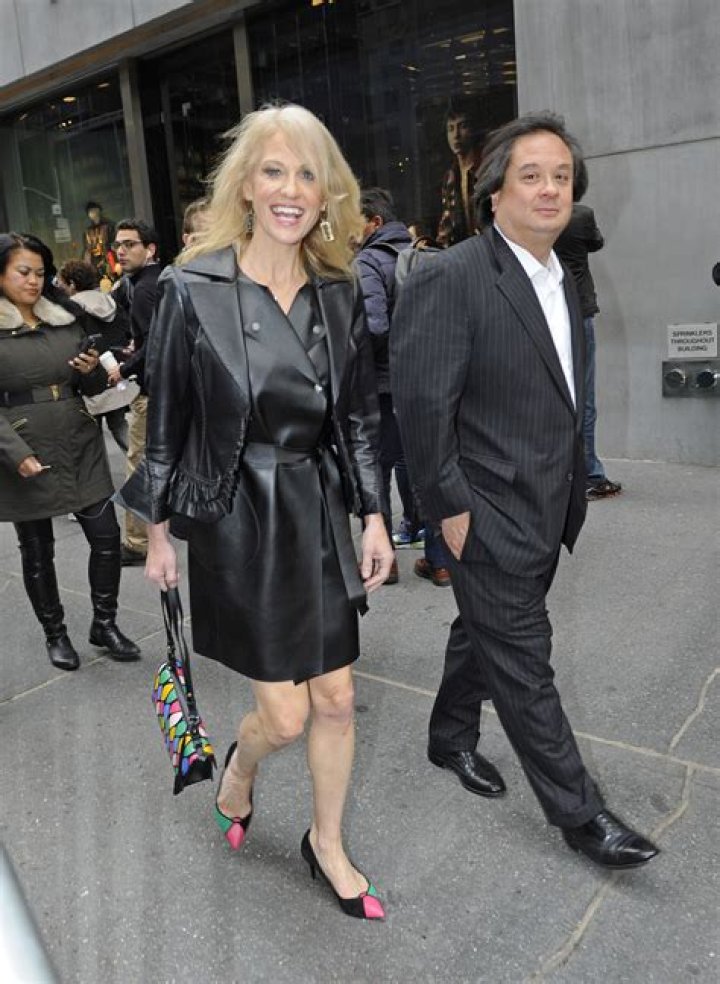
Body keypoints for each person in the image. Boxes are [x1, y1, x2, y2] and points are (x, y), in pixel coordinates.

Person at [116, 104, 393, 918]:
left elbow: (359, 419)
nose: (291, 189)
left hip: (318, 507)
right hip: (238, 515)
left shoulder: (339, 291)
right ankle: (241, 766)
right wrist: (158, 536)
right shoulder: (190, 288)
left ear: (327, 193)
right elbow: (166, 421)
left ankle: (326, 843)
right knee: (285, 714)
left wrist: (375, 516)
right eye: (274, 170)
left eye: (308, 174)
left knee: (335, 699)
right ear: (245, 184)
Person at [391, 112, 659, 869]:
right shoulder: (451, 275)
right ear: (494, 191)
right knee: (524, 655)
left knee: (483, 628)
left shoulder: (560, 275)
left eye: (562, 177)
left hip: (548, 502)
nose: (550, 190)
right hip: (485, 509)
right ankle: (581, 814)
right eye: (532, 175)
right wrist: (448, 509)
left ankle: (449, 736)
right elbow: (421, 407)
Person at [0, 233, 140, 670]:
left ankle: (105, 623)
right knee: (37, 550)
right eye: (23, 272)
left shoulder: (64, 318)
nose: (34, 280)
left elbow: (90, 386)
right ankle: (55, 633)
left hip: (80, 441)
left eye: (40, 272)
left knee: (107, 537)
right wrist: (14, 452)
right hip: (26, 448)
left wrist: (90, 370)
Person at [355, 187, 414, 582]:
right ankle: (439, 559)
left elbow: (374, 325)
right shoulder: (420, 254)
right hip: (418, 380)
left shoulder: (368, 261)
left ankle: (383, 562)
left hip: (382, 381)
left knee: (377, 465)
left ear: (374, 222)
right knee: (415, 463)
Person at [555, 204, 622, 501]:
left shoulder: (532, 215)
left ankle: (558, 474)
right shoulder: (581, 215)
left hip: (544, 311)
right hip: (578, 310)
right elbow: (596, 242)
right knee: (585, 397)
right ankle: (590, 474)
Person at [105, 219, 161, 566]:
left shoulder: (144, 289)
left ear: (150, 249)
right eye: (118, 245)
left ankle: (137, 542)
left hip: (154, 392)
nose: (121, 251)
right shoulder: (157, 280)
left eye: (130, 244)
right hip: (168, 388)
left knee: (138, 463)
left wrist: (123, 369)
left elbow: (157, 341)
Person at [56, 259, 133, 452]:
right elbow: (126, 332)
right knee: (119, 425)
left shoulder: (72, 309)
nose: (60, 287)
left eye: (62, 283)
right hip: (116, 374)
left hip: (88, 380)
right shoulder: (110, 301)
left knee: (91, 437)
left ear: (72, 284)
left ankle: (101, 471)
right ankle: (143, 463)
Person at [436, 95, 485, 249]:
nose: (456, 135)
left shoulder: (485, 169)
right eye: (450, 129)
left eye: (462, 126)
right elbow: (447, 227)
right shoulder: (450, 177)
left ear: (472, 129)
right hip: (465, 253)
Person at [82, 202, 116, 286]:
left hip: (109, 260)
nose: (92, 213)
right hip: (94, 263)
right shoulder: (88, 231)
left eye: (94, 210)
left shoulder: (109, 226)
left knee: (111, 282)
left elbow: (113, 245)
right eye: (90, 211)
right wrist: (86, 265)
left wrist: (110, 260)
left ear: (99, 211)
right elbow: (87, 249)